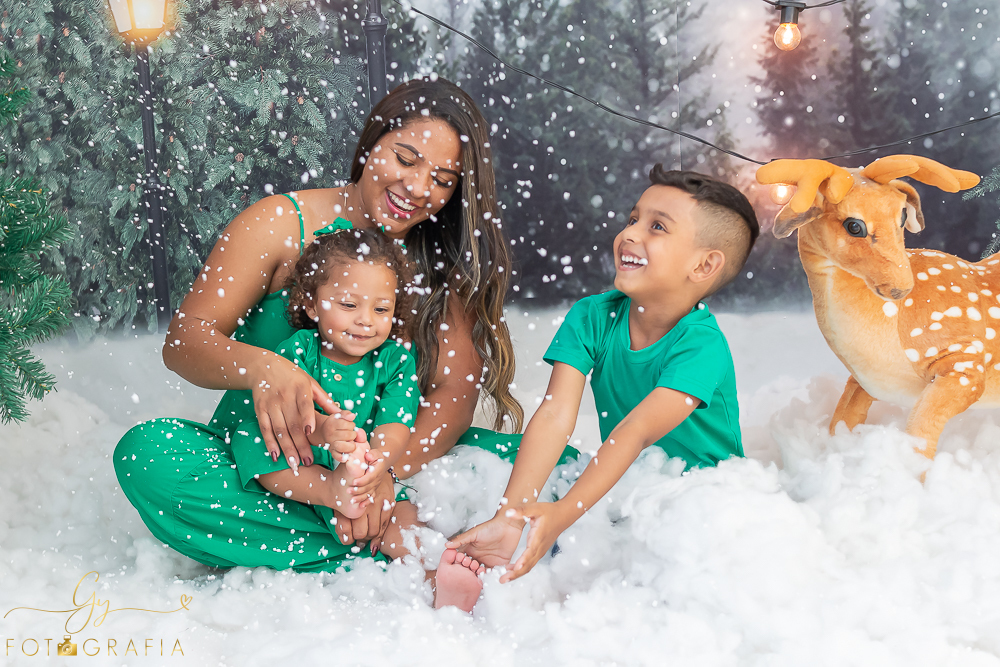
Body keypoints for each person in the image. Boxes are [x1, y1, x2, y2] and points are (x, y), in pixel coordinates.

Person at [114, 77, 535, 565]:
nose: (418, 189)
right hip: (274, 470)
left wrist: (378, 478)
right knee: (149, 457)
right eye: (404, 159)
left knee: (537, 474)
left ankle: (350, 536)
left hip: (391, 469)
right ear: (371, 142)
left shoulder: (435, 260)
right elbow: (185, 342)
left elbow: (453, 398)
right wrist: (263, 369)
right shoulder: (278, 223)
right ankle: (394, 547)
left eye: (442, 181)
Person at [447, 167, 760, 581]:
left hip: (693, 501)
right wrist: (513, 513)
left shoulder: (702, 347)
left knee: (646, 549)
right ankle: (499, 540)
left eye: (657, 227)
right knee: (472, 445)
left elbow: (636, 431)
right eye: (633, 220)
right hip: (623, 478)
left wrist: (562, 514)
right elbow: (557, 415)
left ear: (703, 266)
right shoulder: (594, 316)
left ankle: (556, 551)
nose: (630, 234)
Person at [210, 227, 483, 609]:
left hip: (361, 468)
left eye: (381, 309)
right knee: (255, 443)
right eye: (349, 305)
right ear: (311, 304)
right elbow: (287, 418)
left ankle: (436, 574)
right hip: (306, 463)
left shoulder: (394, 360)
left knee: (402, 514)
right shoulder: (299, 352)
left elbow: (395, 423)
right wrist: (323, 430)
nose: (366, 321)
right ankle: (330, 494)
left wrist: (376, 467)